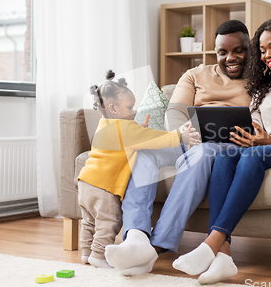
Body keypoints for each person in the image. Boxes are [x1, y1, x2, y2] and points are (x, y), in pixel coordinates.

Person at [172, 14, 271, 284]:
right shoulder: (264, 86)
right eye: (262, 49)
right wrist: (250, 135)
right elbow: (256, 124)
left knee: (254, 154)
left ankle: (211, 244)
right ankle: (224, 256)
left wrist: (267, 141)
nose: (267, 54)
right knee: (226, 155)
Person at [104, 20, 252, 275]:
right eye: (222, 52)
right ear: (214, 52)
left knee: (203, 153)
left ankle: (157, 244)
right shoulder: (195, 75)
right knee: (145, 150)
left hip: (227, 148)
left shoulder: (261, 80)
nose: (231, 58)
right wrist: (186, 135)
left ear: (249, 48)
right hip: (190, 141)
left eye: (238, 50)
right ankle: (137, 237)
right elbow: (175, 111)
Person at [77, 70, 199, 268]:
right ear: (113, 108)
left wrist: (136, 128)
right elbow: (155, 138)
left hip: (85, 182)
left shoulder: (104, 125)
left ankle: (85, 252)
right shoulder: (126, 129)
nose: (133, 111)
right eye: (130, 107)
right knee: (110, 220)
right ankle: (98, 255)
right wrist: (180, 137)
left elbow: (130, 137)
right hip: (103, 187)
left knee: (89, 221)